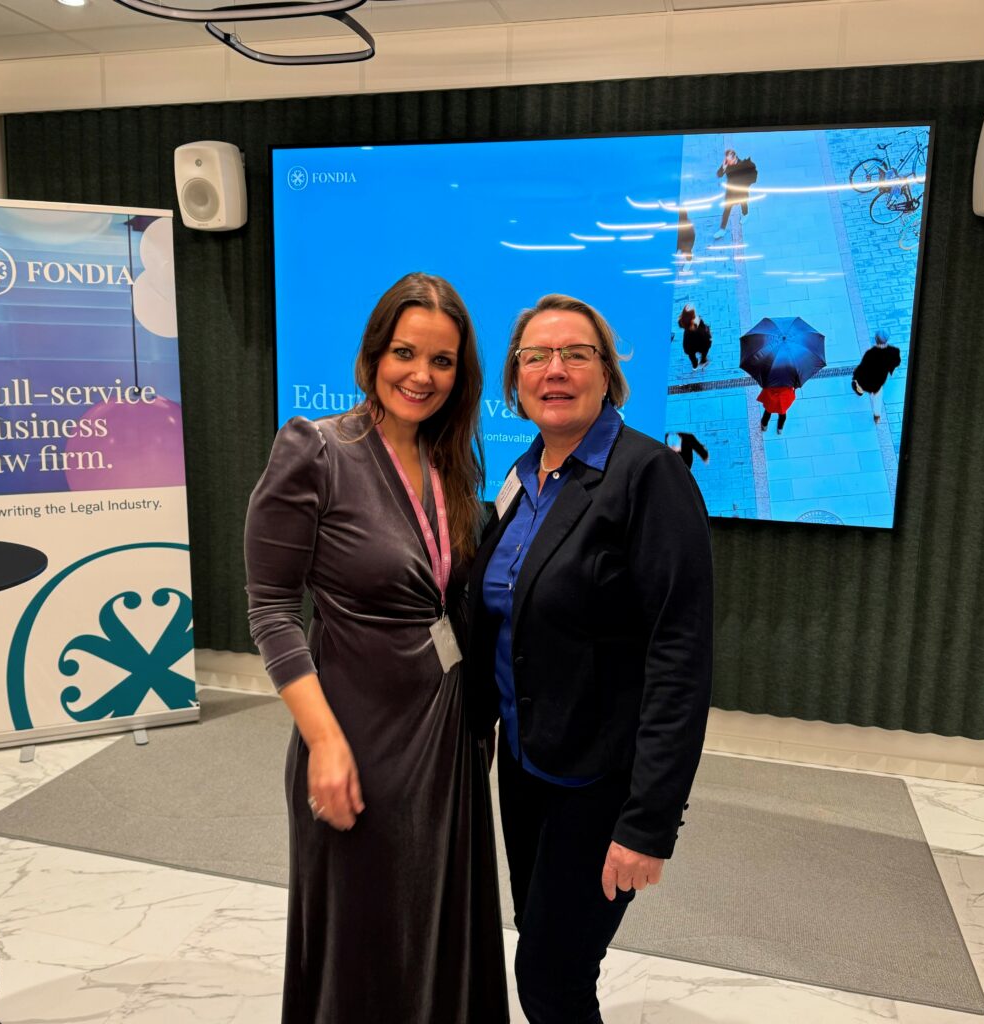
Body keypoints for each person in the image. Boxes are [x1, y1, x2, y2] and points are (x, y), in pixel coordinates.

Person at [245, 272, 508, 1024]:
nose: (421, 375)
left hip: (447, 742)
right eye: (405, 353)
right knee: (363, 942)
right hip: (356, 738)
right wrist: (324, 743)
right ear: (372, 356)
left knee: (438, 933)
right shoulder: (317, 451)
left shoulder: (449, 462)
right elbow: (271, 611)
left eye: (442, 361)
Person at [466, 294, 714, 1024]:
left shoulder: (648, 476)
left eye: (576, 354)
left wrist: (648, 822)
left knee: (552, 979)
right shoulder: (524, 478)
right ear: (515, 379)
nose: (555, 370)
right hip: (525, 766)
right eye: (536, 356)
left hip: (601, 781)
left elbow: (680, 654)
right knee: (543, 947)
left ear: (608, 374)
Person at [853, 328, 902, 423]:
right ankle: (877, 416)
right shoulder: (894, 351)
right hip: (879, 382)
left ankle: (859, 390)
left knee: (859, 384)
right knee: (877, 398)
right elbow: (897, 362)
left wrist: (856, 374)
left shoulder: (870, 353)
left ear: (875, 339)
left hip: (867, 380)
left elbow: (863, 367)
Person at [713, 147, 757, 239]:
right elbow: (719, 174)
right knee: (727, 209)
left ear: (734, 158)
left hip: (741, 191)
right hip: (731, 192)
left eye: (729, 160)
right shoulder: (726, 164)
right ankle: (722, 230)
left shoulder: (742, 165)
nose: (728, 162)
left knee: (743, 204)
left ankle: (745, 215)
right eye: (727, 160)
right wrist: (723, 167)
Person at [678, 304, 712, 369]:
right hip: (700, 342)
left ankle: (694, 364)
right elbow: (704, 332)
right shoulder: (697, 321)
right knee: (704, 351)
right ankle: (703, 360)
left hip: (689, 344)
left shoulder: (682, 321)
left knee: (691, 355)